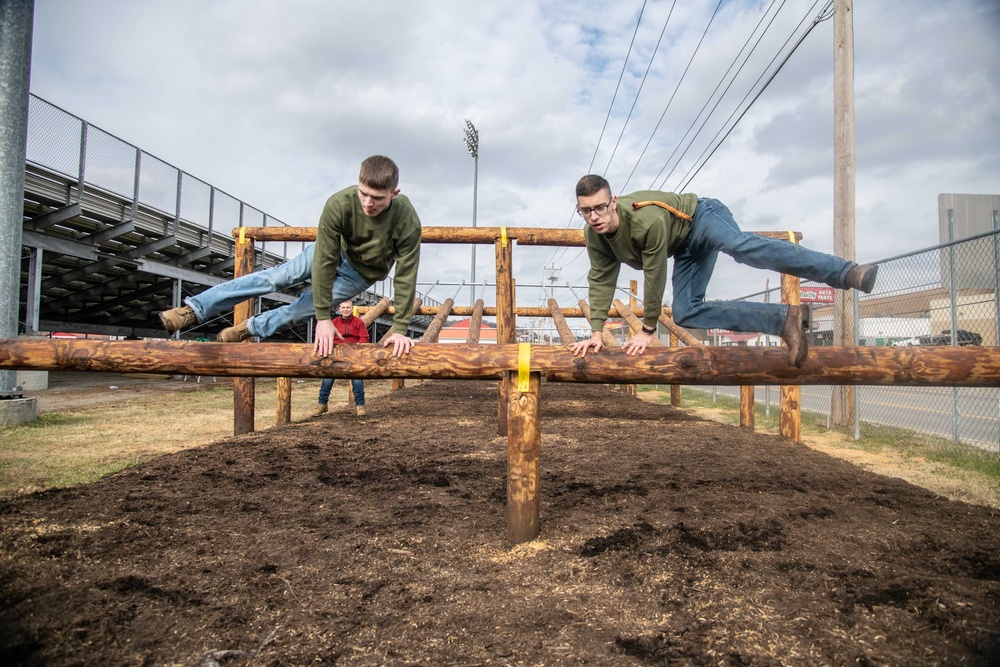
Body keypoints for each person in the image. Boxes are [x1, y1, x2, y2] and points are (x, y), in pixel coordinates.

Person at [568, 175, 878, 367]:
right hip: (685, 247)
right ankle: (785, 320)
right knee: (685, 312)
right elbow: (601, 278)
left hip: (702, 216)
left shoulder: (646, 220)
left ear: (613, 202)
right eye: (586, 210)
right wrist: (596, 331)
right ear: (579, 209)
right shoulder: (593, 235)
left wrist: (648, 330)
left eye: (601, 207)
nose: (595, 216)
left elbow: (654, 273)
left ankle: (847, 272)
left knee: (739, 246)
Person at [158, 155, 421, 358]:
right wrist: (324, 319)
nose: (367, 203)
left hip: (363, 273)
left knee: (304, 307)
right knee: (280, 277)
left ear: (394, 194)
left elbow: (405, 276)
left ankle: (249, 328)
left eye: (377, 198)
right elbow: (324, 260)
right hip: (335, 252)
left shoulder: (406, 220)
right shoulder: (339, 203)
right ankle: (193, 309)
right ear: (357, 184)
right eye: (363, 193)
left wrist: (399, 330)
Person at [312, 300, 369, 417]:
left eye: (348, 307)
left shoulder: (359, 323)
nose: (346, 309)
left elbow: (364, 338)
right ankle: (322, 404)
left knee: (357, 380)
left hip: (353, 357)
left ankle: (360, 406)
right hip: (336, 356)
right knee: (327, 378)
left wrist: (355, 351)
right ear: (339, 309)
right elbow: (328, 338)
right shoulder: (333, 323)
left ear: (352, 308)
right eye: (343, 307)